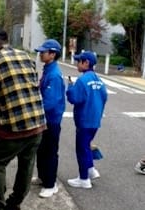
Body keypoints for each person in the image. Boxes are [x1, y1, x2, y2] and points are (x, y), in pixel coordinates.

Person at [0, 30, 46, 210]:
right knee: (27, 165)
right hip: (38, 124)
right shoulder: (26, 56)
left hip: (13, 126)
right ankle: (14, 205)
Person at [66, 51, 107, 189]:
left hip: (84, 120)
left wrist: (70, 86)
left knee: (82, 149)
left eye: (79, 61)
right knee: (87, 145)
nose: (77, 64)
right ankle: (90, 169)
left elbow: (74, 99)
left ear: (86, 63)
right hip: (95, 120)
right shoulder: (98, 80)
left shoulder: (82, 81)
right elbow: (104, 97)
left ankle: (83, 179)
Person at [32, 39, 65, 198]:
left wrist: (34, 111)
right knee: (41, 149)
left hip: (51, 120)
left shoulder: (54, 75)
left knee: (50, 151)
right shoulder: (48, 70)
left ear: (52, 54)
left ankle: (50, 184)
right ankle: (42, 177)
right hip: (44, 120)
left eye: (43, 52)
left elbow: (50, 103)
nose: (40, 54)